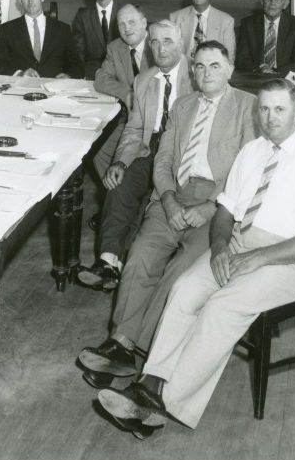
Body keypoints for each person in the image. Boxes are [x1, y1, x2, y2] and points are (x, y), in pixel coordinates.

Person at [96, 79, 295, 436]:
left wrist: (257, 260)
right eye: (265, 109)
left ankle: (160, 401)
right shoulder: (252, 151)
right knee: (184, 289)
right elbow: (225, 211)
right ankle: (151, 381)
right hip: (240, 242)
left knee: (221, 306)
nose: (271, 118)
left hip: (288, 258)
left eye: (280, 109)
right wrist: (222, 246)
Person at [78, 42, 256, 388]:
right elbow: (161, 162)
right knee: (141, 255)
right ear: (192, 71)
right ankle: (120, 343)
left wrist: (211, 206)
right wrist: (170, 200)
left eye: (215, 66)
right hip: (173, 195)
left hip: (219, 205)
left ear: (230, 69)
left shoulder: (247, 107)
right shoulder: (182, 105)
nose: (206, 73)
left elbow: (247, 172)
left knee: (181, 269)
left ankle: (142, 352)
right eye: (200, 67)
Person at [77, 20, 192, 292]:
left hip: (181, 149)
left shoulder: (196, 77)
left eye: (168, 41)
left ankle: (123, 266)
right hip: (148, 146)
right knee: (120, 184)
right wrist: (119, 161)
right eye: (154, 42)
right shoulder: (143, 80)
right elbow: (134, 129)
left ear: (182, 44)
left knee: (151, 202)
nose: (160, 48)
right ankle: (107, 261)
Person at [91, 4, 154, 179]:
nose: (127, 28)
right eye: (121, 24)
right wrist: (127, 93)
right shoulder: (115, 48)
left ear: (143, 22)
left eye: (132, 22)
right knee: (99, 153)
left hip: (156, 124)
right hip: (129, 122)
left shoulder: (158, 45)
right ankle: (114, 195)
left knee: (139, 162)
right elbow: (101, 78)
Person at [0, 0, 84, 79]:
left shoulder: (62, 29)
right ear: (19, 0)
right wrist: (20, 74)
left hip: (54, 88)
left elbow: (77, 65)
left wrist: (68, 75)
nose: (30, 1)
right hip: (21, 88)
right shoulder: (6, 30)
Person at [235, 0, 295, 75]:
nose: (272, 3)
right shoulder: (248, 24)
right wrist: (259, 68)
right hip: (256, 77)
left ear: (285, 4)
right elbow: (241, 59)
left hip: (284, 78)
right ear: (261, 0)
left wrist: (274, 72)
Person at [169, 0, 236, 62]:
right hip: (183, 72)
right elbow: (171, 55)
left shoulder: (226, 21)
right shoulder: (175, 18)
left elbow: (229, 59)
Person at [72, 0, 119, 80]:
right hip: (91, 75)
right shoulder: (82, 16)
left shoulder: (123, 13)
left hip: (120, 75)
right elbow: (79, 52)